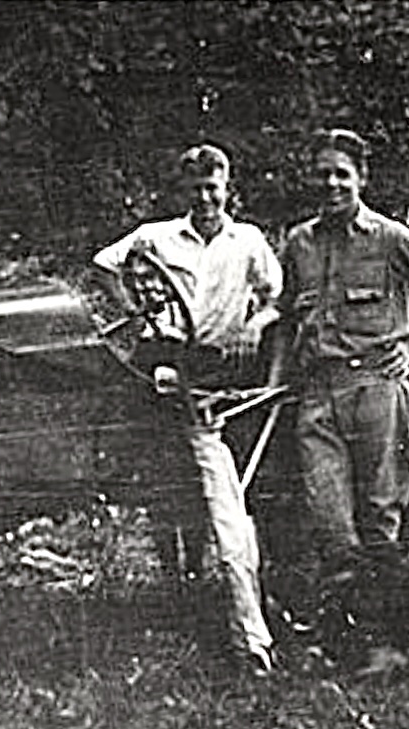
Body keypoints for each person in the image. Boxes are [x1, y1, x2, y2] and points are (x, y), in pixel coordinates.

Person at [91, 144, 282, 676]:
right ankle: (178, 582)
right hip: (166, 367)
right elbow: (105, 265)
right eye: (195, 189)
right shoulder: (157, 237)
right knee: (166, 482)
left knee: (225, 497)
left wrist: (254, 326)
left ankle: (248, 630)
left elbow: (276, 297)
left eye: (212, 187)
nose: (205, 198)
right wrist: (138, 313)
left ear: (227, 188)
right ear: (183, 191)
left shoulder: (248, 242)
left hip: (221, 374)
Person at [273, 128, 409, 583]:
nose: (331, 184)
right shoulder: (299, 244)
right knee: (330, 523)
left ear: (361, 178)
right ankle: (345, 611)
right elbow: (285, 318)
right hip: (317, 397)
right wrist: (277, 381)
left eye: (341, 174)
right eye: (323, 174)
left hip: (375, 390)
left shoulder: (391, 239)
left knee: (379, 521)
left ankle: (385, 617)